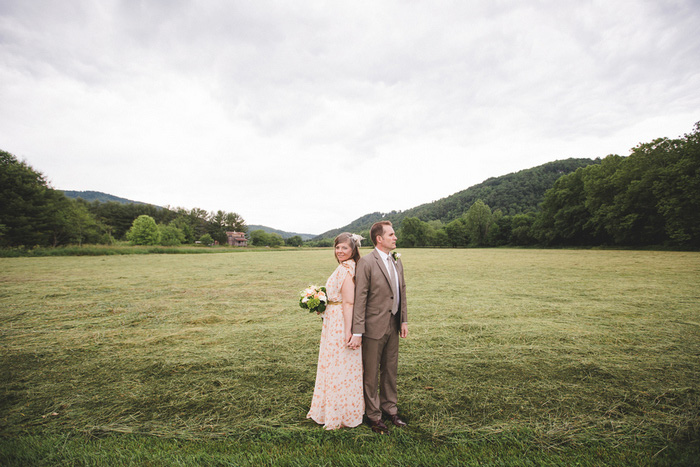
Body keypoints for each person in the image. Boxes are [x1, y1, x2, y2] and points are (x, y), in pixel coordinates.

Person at [349, 221, 408, 434]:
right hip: (373, 327)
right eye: (391, 235)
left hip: (393, 325)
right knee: (371, 373)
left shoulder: (396, 261)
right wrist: (358, 331)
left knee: (390, 370)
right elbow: (360, 298)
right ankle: (373, 415)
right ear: (379, 239)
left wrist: (403, 320)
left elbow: (401, 292)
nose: (395, 238)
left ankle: (390, 409)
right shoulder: (366, 262)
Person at [307, 232, 364, 429]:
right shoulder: (343, 267)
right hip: (333, 319)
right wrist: (322, 305)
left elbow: (348, 302)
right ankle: (332, 408)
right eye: (337, 247)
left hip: (341, 323)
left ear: (353, 250)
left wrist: (349, 331)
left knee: (340, 366)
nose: (340, 251)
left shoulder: (348, 268)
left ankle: (342, 414)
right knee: (333, 365)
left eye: (344, 248)